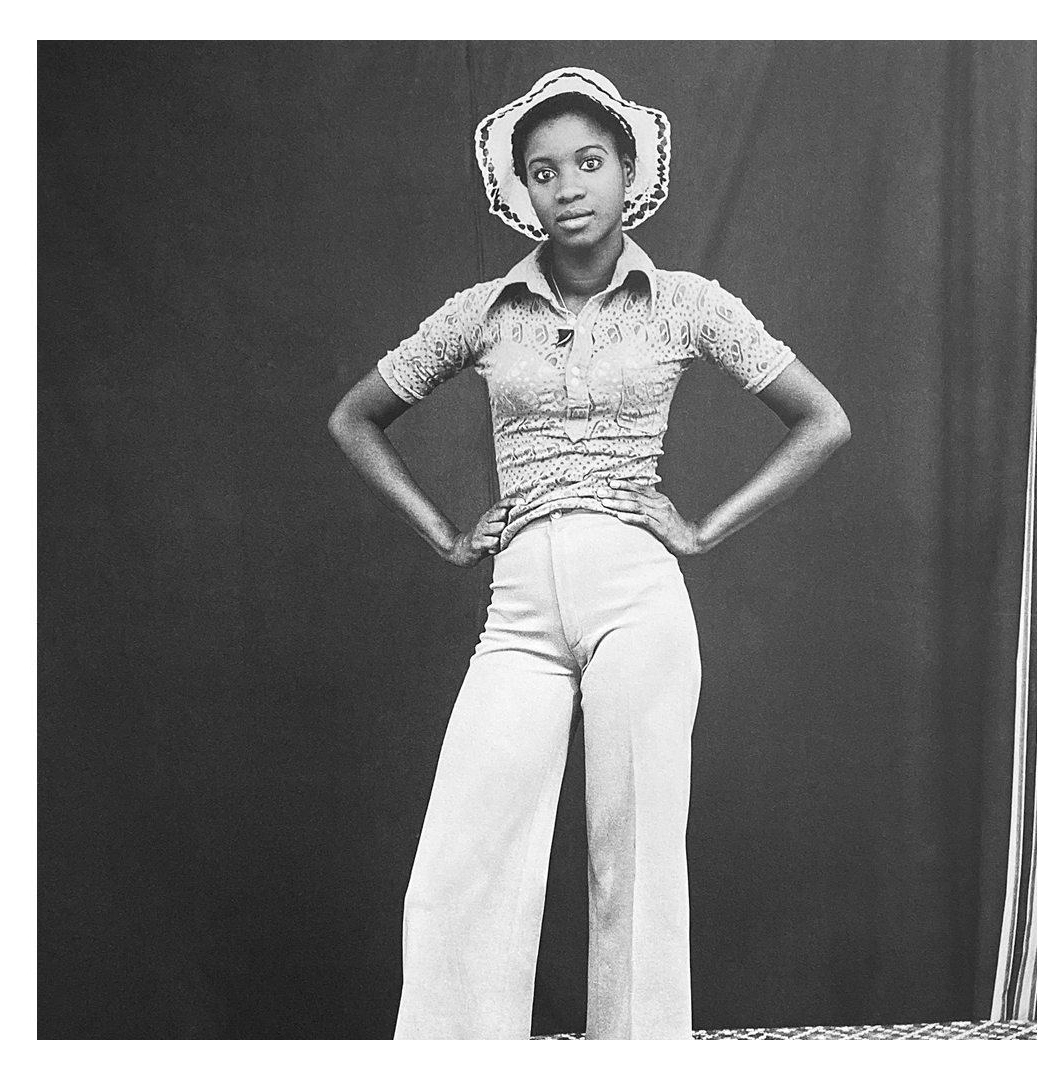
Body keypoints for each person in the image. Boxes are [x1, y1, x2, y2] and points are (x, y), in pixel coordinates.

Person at [329, 67, 850, 1040]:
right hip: (519, 608)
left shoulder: (687, 303)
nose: (568, 186)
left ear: (629, 172)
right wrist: (445, 532)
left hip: (636, 597)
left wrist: (705, 528)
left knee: (637, 869)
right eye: (544, 171)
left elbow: (823, 421)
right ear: (519, 189)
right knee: (459, 865)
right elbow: (354, 418)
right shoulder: (481, 312)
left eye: (589, 162)